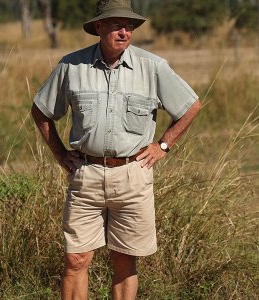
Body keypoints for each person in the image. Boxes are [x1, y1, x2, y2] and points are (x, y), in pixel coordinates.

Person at [31, 0, 201, 299]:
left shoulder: (153, 67)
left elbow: (190, 106)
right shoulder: (72, 66)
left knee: (124, 260)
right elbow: (41, 110)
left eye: (130, 26)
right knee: (76, 259)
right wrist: (59, 153)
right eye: (116, 25)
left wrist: (163, 145)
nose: (124, 32)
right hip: (86, 175)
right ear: (98, 26)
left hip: (133, 176)